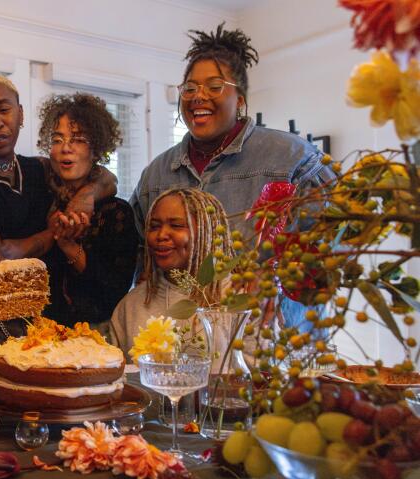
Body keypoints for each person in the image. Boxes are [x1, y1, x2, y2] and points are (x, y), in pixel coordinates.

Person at [128, 23, 335, 330]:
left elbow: (338, 237)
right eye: (190, 88)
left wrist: (276, 274)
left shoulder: (290, 157)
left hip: (273, 344)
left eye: (214, 86)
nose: (199, 96)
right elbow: (141, 260)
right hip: (184, 349)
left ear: (239, 100)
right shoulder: (157, 173)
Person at [0, 74, 118, 301]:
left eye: (4, 109)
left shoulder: (36, 168)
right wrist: (53, 233)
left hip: (43, 315)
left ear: (20, 114)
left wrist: (85, 197)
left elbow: (106, 178)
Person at [36, 93, 138, 329]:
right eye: (57, 139)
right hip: (37, 333)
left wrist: (68, 246)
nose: (66, 149)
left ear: (96, 149)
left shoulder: (115, 212)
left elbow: (113, 292)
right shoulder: (40, 197)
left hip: (92, 336)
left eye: (79, 139)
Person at [110, 189, 230, 357]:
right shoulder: (131, 306)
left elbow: (261, 374)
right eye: (154, 226)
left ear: (207, 231)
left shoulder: (237, 296)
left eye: (176, 225)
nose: (161, 235)